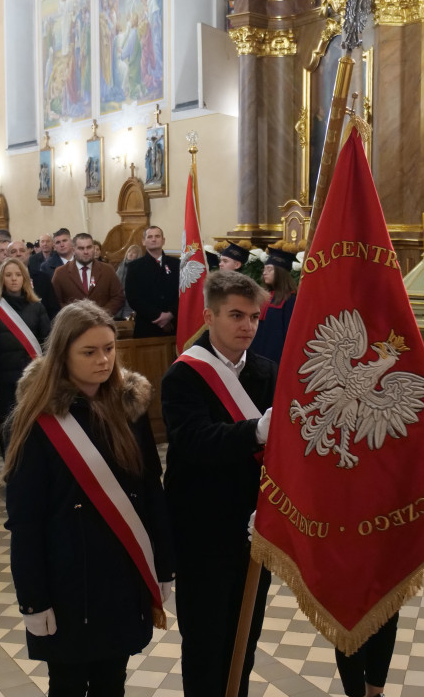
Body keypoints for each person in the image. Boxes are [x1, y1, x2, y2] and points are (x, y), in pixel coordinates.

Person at [3, 301, 174, 697]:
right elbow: (25, 521)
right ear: (62, 353)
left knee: (112, 680)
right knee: (66, 683)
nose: (104, 360)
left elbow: (151, 489)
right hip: (66, 580)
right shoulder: (36, 418)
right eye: (90, 351)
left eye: (110, 349)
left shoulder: (129, 406)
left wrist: (164, 564)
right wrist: (33, 600)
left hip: (122, 572)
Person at [161, 271, 275, 697]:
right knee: (207, 643)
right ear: (209, 316)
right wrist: (257, 432)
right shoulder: (184, 376)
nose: (247, 326)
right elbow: (194, 442)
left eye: (254, 317)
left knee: (244, 639)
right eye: (236, 316)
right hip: (203, 530)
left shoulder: (266, 372)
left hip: (256, 526)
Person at [0, 258, 51, 440]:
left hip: (32, 377)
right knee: (8, 428)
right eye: (8, 275)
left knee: (34, 426)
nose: (14, 279)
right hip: (3, 380)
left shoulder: (37, 307)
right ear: (2, 279)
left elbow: (48, 343)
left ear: (25, 278)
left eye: (18, 275)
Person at [124, 226, 179, 338]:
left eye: (157, 236)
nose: (154, 239)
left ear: (163, 240)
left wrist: (170, 314)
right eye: (150, 237)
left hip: (174, 324)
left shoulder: (176, 264)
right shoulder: (135, 267)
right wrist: (158, 317)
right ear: (144, 241)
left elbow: (184, 293)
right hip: (147, 325)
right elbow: (133, 298)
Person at [52, 233, 125, 315]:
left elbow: (118, 297)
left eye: (89, 247)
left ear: (94, 248)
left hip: (102, 323)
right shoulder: (61, 273)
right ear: (73, 250)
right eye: (81, 248)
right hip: (72, 323)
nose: (86, 252)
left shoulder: (107, 270)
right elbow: (55, 301)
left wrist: (101, 314)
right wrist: (74, 315)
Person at [250, 247, 298, 366]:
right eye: (264, 269)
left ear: (280, 272)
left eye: (269, 269)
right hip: (256, 353)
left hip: (275, 358)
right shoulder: (264, 296)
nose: (264, 272)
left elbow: (289, 334)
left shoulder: (290, 300)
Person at [114, 245, 141, 321]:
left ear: (138, 255)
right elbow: (115, 281)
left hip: (131, 300)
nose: (130, 254)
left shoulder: (138, 267)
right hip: (119, 297)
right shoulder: (121, 265)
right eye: (129, 251)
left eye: (134, 253)